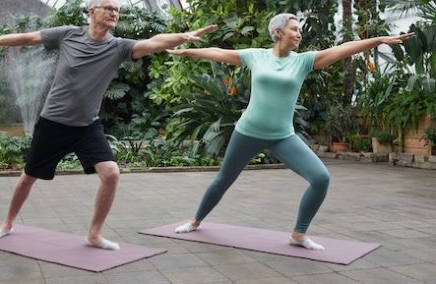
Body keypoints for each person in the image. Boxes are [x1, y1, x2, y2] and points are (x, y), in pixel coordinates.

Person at [0, 0, 216, 250]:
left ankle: (94, 234)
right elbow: (28, 38)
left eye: (117, 10)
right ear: (91, 11)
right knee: (28, 176)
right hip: (53, 123)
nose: (114, 13)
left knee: (111, 174)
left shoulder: (119, 47)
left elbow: (154, 42)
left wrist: (184, 37)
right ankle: (7, 224)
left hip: (87, 126)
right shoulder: (68, 34)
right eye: (108, 8)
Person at [168, 13, 414, 250]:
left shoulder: (303, 61)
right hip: (247, 132)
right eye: (294, 29)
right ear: (278, 32)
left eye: (299, 30)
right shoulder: (257, 56)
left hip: (282, 136)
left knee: (321, 178)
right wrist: (188, 51)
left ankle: (299, 233)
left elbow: (342, 49)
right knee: (223, 180)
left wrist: (378, 40)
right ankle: (195, 221)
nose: (299, 34)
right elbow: (220, 53)